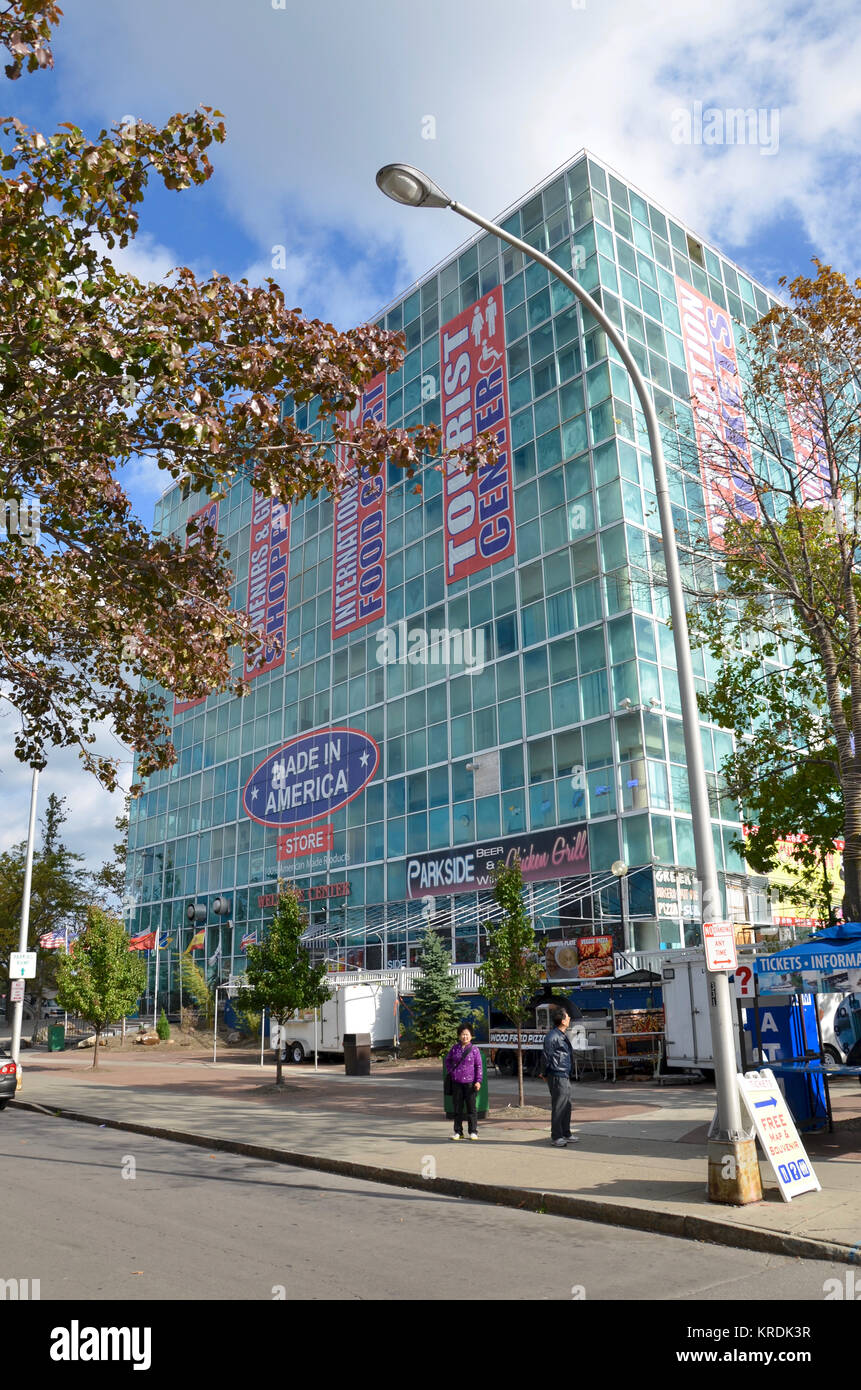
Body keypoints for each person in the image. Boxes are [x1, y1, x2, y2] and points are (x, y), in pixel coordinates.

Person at [543, 1006, 578, 1146]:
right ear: (563, 1020)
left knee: (566, 1105)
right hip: (557, 1074)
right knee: (559, 1106)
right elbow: (546, 1056)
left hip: (564, 1074)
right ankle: (556, 1136)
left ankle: (566, 1132)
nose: (569, 1018)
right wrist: (545, 1073)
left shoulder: (560, 1035)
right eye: (567, 1016)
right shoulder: (552, 1036)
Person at [444, 1023, 483, 1141]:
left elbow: (479, 1066)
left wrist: (478, 1081)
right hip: (457, 1083)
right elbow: (448, 1060)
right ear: (459, 1036)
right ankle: (458, 1132)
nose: (464, 1037)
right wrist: (452, 1072)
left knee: (471, 1108)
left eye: (467, 1035)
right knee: (457, 1108)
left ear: (471, 1036)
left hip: (470, 1084)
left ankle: (473, 1131)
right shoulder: (454, 1048)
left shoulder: (475, 1050)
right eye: (462, 1035)